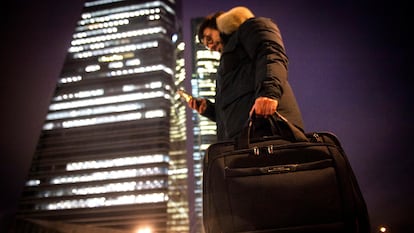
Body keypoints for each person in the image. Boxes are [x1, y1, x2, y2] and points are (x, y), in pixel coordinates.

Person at [189, 6, 304, 141]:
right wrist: (209, 109)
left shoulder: (249, 27)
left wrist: (268, 93)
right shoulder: (228, 62)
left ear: (219, 24)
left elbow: (270, 53)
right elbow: (236, 105)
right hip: (244, 139)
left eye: (209, 39)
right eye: (206, 46)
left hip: (270, 127)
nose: (211, 46)